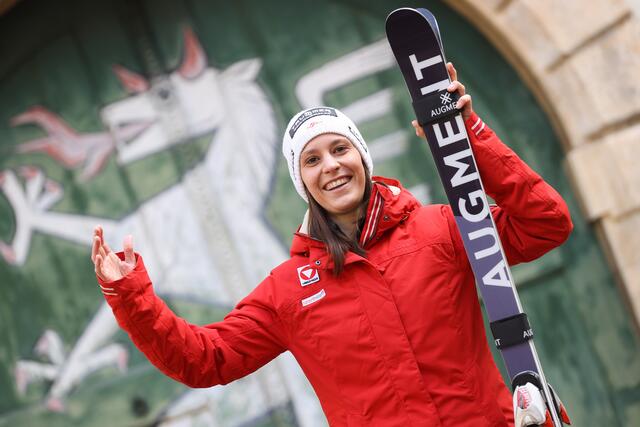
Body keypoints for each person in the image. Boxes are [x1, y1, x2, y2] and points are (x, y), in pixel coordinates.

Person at [92, 63, 573, 426]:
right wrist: (131, 296)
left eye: (341, 149)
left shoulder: (440, 231)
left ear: (362, 155)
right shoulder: (289, 292)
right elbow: (204, 359)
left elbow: (545, 223)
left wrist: (469, 138)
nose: (331, 166)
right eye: (312, 160)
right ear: (301, 181)